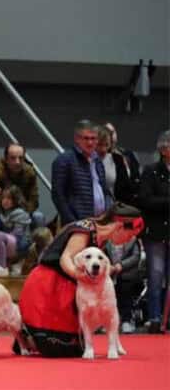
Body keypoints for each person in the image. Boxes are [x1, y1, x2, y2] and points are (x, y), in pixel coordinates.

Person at [17, 202, 144, 357]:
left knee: (76, 348)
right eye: (130, 235)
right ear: (119, 226)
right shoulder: (85, 230)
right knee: (61, 348)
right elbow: (66, 259)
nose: (128, 240)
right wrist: (80, 276)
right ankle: (29, 338)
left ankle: (32, 339)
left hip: (65, 285)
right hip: (48, 285)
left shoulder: (99, 237)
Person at [138, 130, 170, 334]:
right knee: (156, 276)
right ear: (164, 149)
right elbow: (145, 200)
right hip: (156, 231)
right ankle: (155, 318)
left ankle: (168, 318)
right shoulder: (150, 171)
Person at [51, 119, 112, 225]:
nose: (90, 142)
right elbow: (58, 195)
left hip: (100, 222)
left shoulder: (97, 161)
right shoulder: (64, 160)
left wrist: (107, 212)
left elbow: (105, 191)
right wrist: (72, 221)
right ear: (77, 139)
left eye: (93, 138)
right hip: (78, 224)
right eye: (86, 138)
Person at [0, 143, 44, 228]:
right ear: (6, 159)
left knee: (38, 217)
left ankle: (40, 240)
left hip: (23, 209)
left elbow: (34, 199)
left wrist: (23, 212)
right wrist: (9, 211)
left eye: (21, 158)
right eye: (13, 158)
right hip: (1, 210)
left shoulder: (30, 172)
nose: (17, 162)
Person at [0, 185, 31, 277]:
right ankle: (5, 266)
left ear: (15, 200)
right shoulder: (2, 212)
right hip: (6, 246)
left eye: (9, 198)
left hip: (19, 246)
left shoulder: (20, 213)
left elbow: (18, 236)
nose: (5, 201)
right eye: (3, 198)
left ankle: (2, 267)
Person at [104, 237, 143, 334]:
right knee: (107, 299)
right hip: (109, 274)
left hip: (128, 273)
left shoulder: (133, 239)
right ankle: (107, 322)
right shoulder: (106, 239)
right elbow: (101, 254)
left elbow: (136, 256)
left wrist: (121, 265)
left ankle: (127, 321)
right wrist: (109, 266)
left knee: (126, 296)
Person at [96, 125, 138, 206]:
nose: (103, 149)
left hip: (113, 206)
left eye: (106, 145)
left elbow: (125, 188)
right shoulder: (88, 160)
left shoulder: (117, 159)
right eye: (100, 145)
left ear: (111, 144)